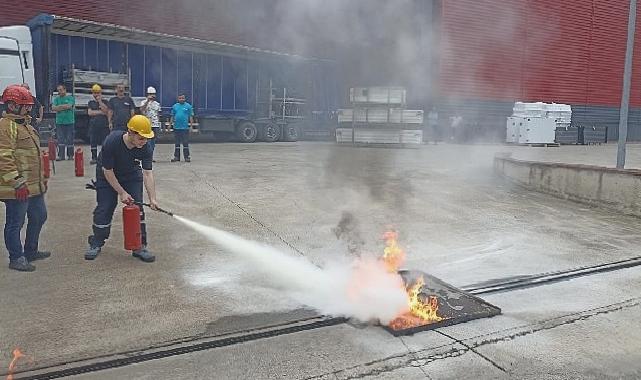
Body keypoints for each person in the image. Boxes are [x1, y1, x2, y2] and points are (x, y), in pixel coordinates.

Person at [85, 115, 159, 263]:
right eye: (141, 138)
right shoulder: (112, 141)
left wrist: (152, 198)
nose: (144, 141)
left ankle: (139, 246)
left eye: (146, 138)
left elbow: (147, 173)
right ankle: (96, 242)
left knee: (137, 209)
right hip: (107, 174)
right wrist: (122, 192)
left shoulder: (146, 146)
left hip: (131, 174)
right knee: (105, 207)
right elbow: (108, 171)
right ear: (130, 132)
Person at [0, 85, 50, 272]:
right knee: (15, 223)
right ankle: (16, 257)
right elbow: (3, 157)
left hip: (33, 185)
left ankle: (30, 251)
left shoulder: (26, 125)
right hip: (17, 187)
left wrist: (42, 178)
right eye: (25, 105)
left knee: (39, 216)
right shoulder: (6, 127)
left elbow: (34, 156)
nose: (30, 108)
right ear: (12, 105)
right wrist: (17, 182)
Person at [87, 84, 110, 165]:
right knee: (93, 142)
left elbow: (107, 111)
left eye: (98, 93)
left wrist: (100, 101)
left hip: (104, 126)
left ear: (101, 93)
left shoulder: (105, 102)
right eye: (94, 93)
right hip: (94, 126)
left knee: (105, 143)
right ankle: (94, 158)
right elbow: (90, 113)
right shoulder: (90, 102)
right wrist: (100, 112)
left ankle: (103, 158)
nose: (96, 94)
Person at [51, 84, 75, 161]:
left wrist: (59, 107)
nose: (59, 92)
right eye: (58, 90)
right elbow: (53, 108)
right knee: (60, 139)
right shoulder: (56, 99)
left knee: (69, 139)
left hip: (69, 122)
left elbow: (69, 106)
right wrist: (64, 107)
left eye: (61, 90)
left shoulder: (70, 98)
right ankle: (61, 156)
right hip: (59, 122)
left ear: (65, 90)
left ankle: (70, 155)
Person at [170, 94, 194, 162]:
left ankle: (187, 157)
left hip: (185, 128)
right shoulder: (175, 106)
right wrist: (170, 125)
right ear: (178, 99)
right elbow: (172, 116)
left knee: (185, 143)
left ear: (185, 99)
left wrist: (191, 126)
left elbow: (191, 117)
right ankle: (176, 157)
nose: (181, 99)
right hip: (176, 127)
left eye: (183, 98)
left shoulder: (188, 106)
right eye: (180, 98)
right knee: (177, 143)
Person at [140, 86, 161, 162]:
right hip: (147, 125)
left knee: (153, 142)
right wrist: (147, 101)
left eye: (153, 94)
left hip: (155, 125)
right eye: (151, 94)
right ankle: (145, 156)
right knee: (146, 141)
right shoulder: (143, 102)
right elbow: (142, 110)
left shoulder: (157, 104)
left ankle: (150, 157)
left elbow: (158, 114)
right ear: (147, 94)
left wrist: (159, 125)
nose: (152, 96)